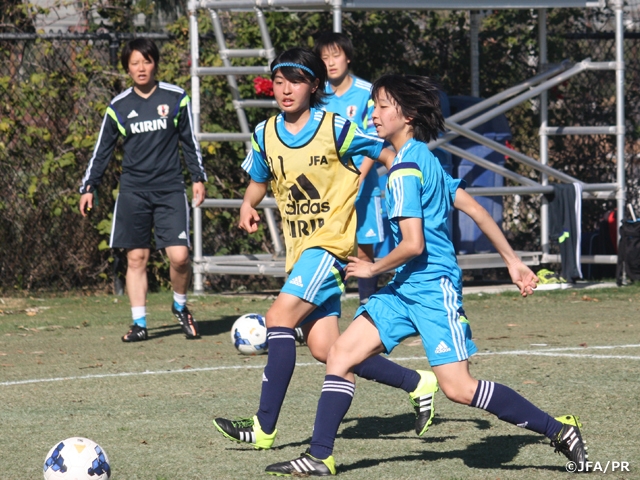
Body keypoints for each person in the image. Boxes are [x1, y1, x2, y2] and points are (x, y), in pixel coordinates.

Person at [265, 75, 588, 476]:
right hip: (404, 289)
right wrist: (513, 261)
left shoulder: (404, 168)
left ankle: (560, 431)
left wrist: (372, 267)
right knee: (340, 355)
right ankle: (319, 456)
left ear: (409, 115)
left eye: (383, 106)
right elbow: (474, 207)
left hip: (434, 290)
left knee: (459, 389)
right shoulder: (425, 156)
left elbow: (414, 244)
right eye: (374, 105)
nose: (374, 113)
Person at [212, 49, 439, 450]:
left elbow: (387, 152)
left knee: (278, 317)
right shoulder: (265, 133)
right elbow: (259, 179)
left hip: (330, 248)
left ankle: (264, 427)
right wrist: (248, 203)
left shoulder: (336, 127)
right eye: (279, 81)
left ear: (314, 86)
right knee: (329, 351)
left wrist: (400, 182)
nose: (285, 89)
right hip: (300, 254)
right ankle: (416, 382)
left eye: (295, 81)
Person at [79, 38, 207, 342]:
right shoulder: (119, 106)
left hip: (170, 189)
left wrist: (198, 177)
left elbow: (190, 143)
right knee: (136, 258)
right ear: (127, 67)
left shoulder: (175, 98)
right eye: (134, 62)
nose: (141, 68)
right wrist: (88, 186)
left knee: (179, 256)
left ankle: (180, 306)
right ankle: (139, 323)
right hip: (133, 191)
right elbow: (102, 150)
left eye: (146, 61)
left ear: (155, 63)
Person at [313, 32, 383, 306]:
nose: (331, 63)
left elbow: (375, 139)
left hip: (362, 189)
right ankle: (323, 309)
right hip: (326, 191)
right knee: (326, 251)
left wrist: (358, 177)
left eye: (336, 56)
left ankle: (369, 308)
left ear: (348, 57)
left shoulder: (367, 92)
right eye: (324, 58)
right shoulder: (317, 95)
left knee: (364, 251)